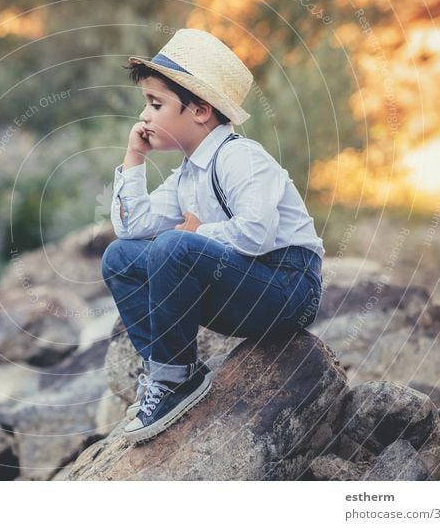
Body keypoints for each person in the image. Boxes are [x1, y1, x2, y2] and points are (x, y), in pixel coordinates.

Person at [101, 28, 325, 444]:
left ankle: (173, 381)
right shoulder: (187, 174)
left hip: (288, 287)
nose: (144, 117)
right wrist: (134, 158)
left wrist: (198, 233)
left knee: (174, 246)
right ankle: (172, 372)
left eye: (156, 104)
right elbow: (130, 227)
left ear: (201, 110)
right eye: (145, 105)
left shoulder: (240, 156)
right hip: (243, 289)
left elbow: (257, 233)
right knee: (120, 257)